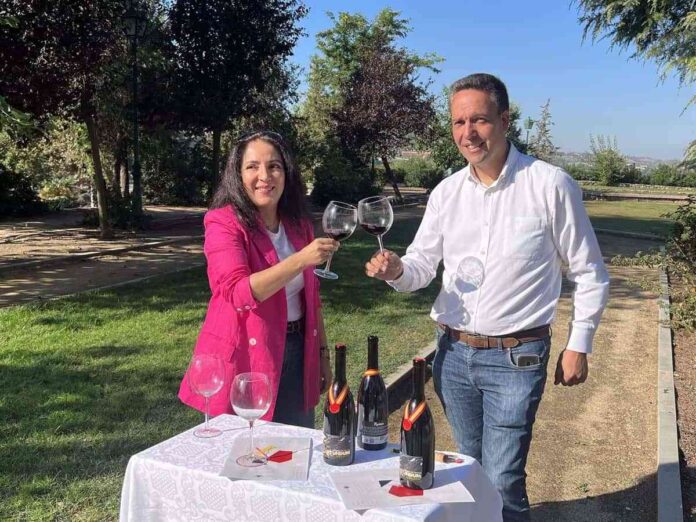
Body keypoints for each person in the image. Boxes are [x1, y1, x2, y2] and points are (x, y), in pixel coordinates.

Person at [365, 73, 610, 521]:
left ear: (504, 120)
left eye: (478, 119)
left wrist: (579, 344)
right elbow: (421, 265)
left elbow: (590, 272)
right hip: (452, 354)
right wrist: (397, 270)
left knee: (502, 480)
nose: (468, 133)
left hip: (516, 358)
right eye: (459, 122)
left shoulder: (550, 185)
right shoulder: (447, 193)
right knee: (468, 470)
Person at [179, 130, 337, 428]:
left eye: (274, 166)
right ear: (238, 175)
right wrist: (301, 259)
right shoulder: (223, 222)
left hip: (297, 349)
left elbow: (312, 297)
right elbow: (237, 292)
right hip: (247, 357)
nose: (264, 176)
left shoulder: (298, 224)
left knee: (293, 445)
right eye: (252, 166)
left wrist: (322, 356)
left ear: (286, 174)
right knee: (244, 447)